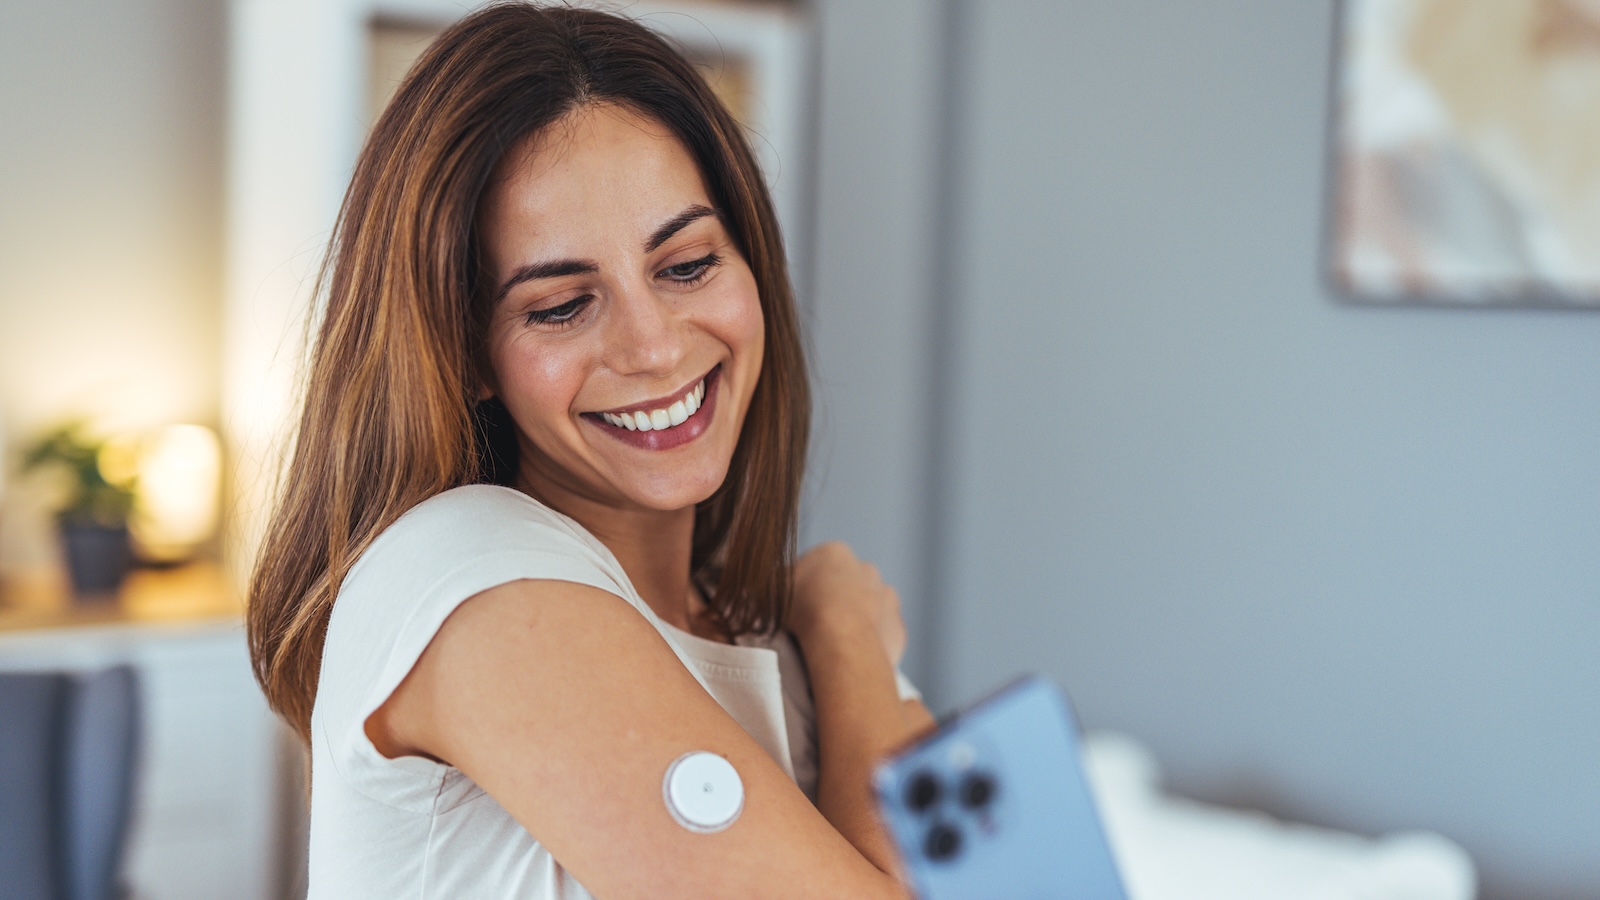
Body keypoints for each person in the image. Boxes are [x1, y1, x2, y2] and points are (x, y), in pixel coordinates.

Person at [246, 4, 934, 897]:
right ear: (464, 352)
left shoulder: (763, 634)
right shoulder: (467, 576)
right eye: (562, 306)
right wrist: (847, 633)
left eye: (686, 265)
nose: (654, 347)